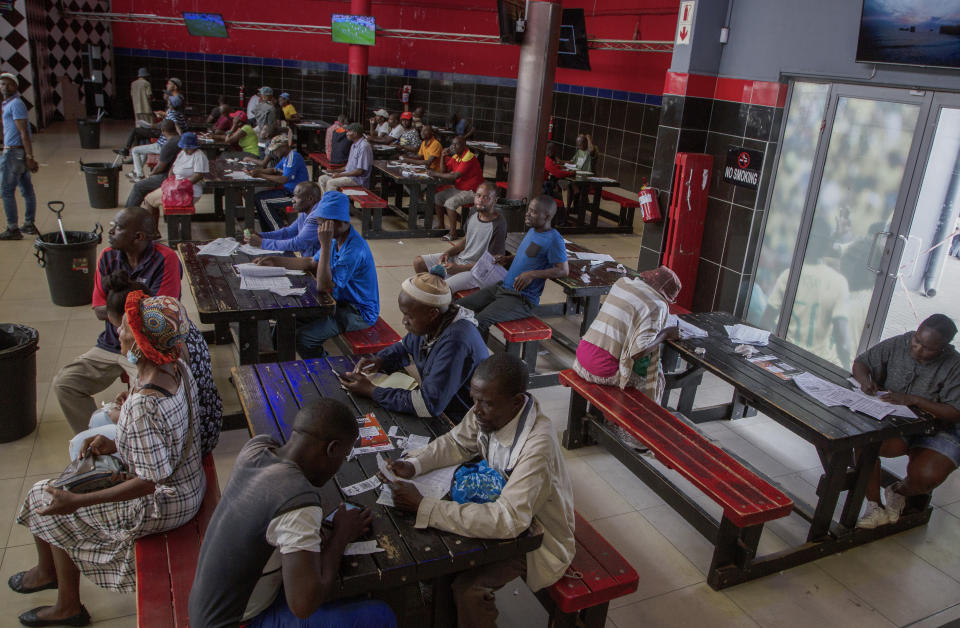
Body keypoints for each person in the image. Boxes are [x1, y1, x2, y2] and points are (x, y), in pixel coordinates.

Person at [14, 292, 204, 628]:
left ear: (142, 341)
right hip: (189, 484)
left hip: (166, 504)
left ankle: (67, 607)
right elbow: (168, 440)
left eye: (127, 328)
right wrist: (117, 445)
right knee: (52, 492)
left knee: (46, 499)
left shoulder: (146, 402)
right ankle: (49, 572)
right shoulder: (177, 369)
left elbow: (148, 482)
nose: (118, 332)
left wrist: (77, 501)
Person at [384, 353, 575, 628]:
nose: (476, 410)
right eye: (474, 399)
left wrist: (423, 506)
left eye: (485, 403)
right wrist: (414, 464)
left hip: (538, 538)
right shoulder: (490, 411)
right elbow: (457, 443)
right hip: (505, 510)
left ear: (516, 402)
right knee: (439, 551)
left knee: (468, 588)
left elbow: (509, 520)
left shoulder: (537, 448)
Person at [188, 399, 396, 627]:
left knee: (350, 593)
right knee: (380, 615)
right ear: (331, 449)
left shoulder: (258, 449)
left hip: (208, 608)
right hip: (236, 621)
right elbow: (304, 605)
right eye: (343, 456)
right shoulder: (298, 501)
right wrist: (341, 535)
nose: (339, 467)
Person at [68, 271, 223, 460]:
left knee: (81, 441)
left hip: (193, 437)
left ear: (141, 337)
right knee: (99, 419)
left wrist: (125, 413)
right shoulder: (171, 328)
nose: (118, 332)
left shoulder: (164, 375)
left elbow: (155, 469)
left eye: (124, 328)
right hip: (197, 425)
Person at [53, 208, 182, 432]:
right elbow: (99, 310)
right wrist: (135, 311)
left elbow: (163, 314)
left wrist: (118, 308)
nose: (110, 231)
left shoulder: (166, 259)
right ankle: (96, 437)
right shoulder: (107, 257)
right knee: (65, 383)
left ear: (138, 237)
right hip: (112, 343)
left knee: (145, 397)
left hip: (147, 349)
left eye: (118, 227)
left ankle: (130, 441)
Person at [339, 266, 489, 421]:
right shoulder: (434, 323)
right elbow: (404, 347)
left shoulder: (457, 342)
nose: (404, 321)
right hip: (443, 406)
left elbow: (428, 405)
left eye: (408, 316)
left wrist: (371, 391)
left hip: (461, 420)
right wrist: (380, 360)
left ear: (432, 314)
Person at [854, 315, 960, 529]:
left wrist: (914, 400)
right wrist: (865, 380)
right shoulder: (900, 342)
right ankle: (874, 505)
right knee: (866, 441)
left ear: (944, 348)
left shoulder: (955, 365)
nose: (918, 349)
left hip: (940, 427)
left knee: (927, 477)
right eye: (917, 341)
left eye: (928, 348)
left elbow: (954, 412)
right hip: (898, 420)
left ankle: (898, 491)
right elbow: (861, 362)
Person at [256, 195, 378, 358]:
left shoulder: (353, 249)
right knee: (287, 318)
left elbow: (324, 286)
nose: (320, 229)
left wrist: (325, 245)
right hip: (336, 302)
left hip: (356, 311)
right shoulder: (337, 238)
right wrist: (275, 261)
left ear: (339, 222)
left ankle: (327, 369)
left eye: (323, 224)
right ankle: (274, 360)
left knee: (305, 339)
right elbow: (311, 263)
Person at [454, 196, 568, 338]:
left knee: (479, 321)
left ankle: (477, 358)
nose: (527, 214)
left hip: (521, 299)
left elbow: (563, 270)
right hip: (503, 288)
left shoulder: (554, 239)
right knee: (456, 307)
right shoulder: (533, 231)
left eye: (533, 212)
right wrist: (507, 259)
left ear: (547, 216)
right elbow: (528, 256)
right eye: (528, 210)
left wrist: (532, 274)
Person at [573, 267, 682, 399]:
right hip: (602, 371)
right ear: (666, 296)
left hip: (582, 357)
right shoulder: (657, 304)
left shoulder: (622, 283)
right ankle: (643, 417)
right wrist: (665, 334)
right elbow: (638, 352)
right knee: (654, 380)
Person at [414, 181, 506, 293]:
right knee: (419, 262)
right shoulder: (473, 212)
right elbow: (466, 240)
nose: (480, 200)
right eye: (478, 196)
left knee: (442, 288)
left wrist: (459, 269)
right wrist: (447, 253)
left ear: (495, 200)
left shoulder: (499, 224)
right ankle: (427, 296)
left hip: (476, 270)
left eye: (486, 197)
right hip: (461, 259)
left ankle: (440, 303)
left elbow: (491, 262)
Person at [246, 184, 337, 257]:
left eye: (296, 197)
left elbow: (298, 244)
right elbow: (288, 232)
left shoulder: (316, 217)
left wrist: (262, 243)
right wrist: (261, 236)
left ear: (310, 199)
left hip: (317, 265)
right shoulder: (306, 212)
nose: (292, 200)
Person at [143, 132, 209, 234]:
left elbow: (198, 176)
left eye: (189, 148)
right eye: (184, 147)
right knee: (149, 199)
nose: (186, 150)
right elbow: (172, 169)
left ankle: (153, 233)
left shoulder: (199, 156)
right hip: (176, 187)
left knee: (149, 200)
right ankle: (153, 231)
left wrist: (181, 185)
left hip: (190, 191)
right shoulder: (182, 153)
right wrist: (171, 182)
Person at [0, 72, 38, 240]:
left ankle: (13, 228)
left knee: (6, 191)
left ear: (16, 86)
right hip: (17, 151)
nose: (5, 87)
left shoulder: (15, 104)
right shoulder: (8, 104)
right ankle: (28, 224)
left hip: (14, 153)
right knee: (26, 189)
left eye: (8, 84)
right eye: (2, 84)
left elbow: (24, 132)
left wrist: (29, 156)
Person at [251, 135, 310, 231]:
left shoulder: (293, 157)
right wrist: (257, 172)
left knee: (263, 201)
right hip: (288, 191)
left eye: (276, 150)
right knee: (257, 197)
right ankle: (267, 231)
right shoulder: (285, 158)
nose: (274, 152)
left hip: (296, 195)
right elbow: (274, 170)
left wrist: (261, 175)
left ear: (284, 147)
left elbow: (283, 179)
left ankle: (278, 230)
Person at [116, 77, 185, 158]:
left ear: (175, 87)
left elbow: (174, 121)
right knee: (141, 134)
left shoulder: (176, 100)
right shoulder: (174, 104)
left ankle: (129, 151)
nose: (167, 86)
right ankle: (133, 154)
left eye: (169, 84)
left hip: (165, 131)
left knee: (137, 132)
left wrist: (159, 119)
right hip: (165, 128)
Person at [434, 136, 484, 241]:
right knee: (438, 197)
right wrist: (443, 156)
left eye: (456, 144)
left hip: (473, 192)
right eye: (452, 144)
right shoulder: (456, 156)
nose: (453, 147)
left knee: (450, 203)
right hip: (460, 189)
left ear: (464, 146)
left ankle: (453, 233)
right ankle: (441, 225)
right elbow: (444, 171)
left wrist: (435, 174)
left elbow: (455, 176)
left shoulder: (468, 156)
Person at [124, 120, 180, 206]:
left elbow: (160, 168)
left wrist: (151, 174)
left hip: (167, 176)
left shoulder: (168, 145)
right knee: (145, 186)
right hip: (177, 172)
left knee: (138, 187)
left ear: (163, 131)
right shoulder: (179, 138)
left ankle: (128, 213)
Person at [317, 123, 373, 193]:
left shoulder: (364, 147)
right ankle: (326, 200)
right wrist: (333, 171)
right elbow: (347, 167)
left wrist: (340, 175)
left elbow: (359, 171)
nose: (346, 133)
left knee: (331, 183)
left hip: (357, 180)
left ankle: (332, 203)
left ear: (355, 133)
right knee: (322, 179)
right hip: (349, 176)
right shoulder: (353, 145)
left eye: (349, 131)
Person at [561, 134, 595, 209]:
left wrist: (588, 138)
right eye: (577, 145)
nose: (578, 147)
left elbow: (592, 151)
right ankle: (569, 208)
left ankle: (577, 197)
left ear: (585, 143)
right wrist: (562, 162)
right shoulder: (579, 151)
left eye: (580, 145)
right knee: (569, 183)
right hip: (578, 176)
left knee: (572, 184)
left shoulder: (591, 150)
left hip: (587, 177)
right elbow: (572, 162)